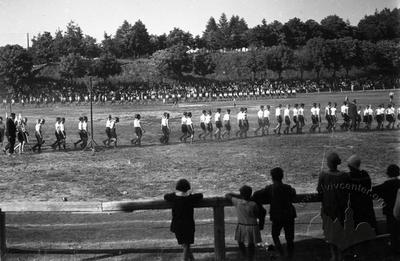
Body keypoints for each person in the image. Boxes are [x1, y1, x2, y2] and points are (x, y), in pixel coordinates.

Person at [252, 167, 297, 258]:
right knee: (290, 238)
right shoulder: (287, 187)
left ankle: (281, 253)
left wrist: (261, 206)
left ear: (272, 177)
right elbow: (293, 193)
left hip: (277, 215)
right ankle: (290, 256)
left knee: (275, 235)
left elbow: (256, 194)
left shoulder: (270, 188)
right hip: (289, 214)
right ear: (282, 176)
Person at [317, 152, 349, 261]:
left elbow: (319, 190)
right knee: (340, 230)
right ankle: (340, 255)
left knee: (329, 231)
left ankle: (333, 255)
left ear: (329, 163)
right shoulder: (345, 175)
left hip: (328, 208)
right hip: (341, 208)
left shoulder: (323, 175)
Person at [164, 179, 203, 261]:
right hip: (188, 225)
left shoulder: (174, 197)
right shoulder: (190, 198)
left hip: (177, 225)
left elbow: (166, 196)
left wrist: (175, 193)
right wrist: (190, 194)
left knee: (185, 245)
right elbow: (200, 195)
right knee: (187, 245)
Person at [226, 185, 262, 261]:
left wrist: (239, 195)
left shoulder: (237, 201)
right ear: (250, 194)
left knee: (240, 242)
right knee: (251, 244)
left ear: (241, 194)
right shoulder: (253, 204)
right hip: (252, 225)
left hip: (242, 225)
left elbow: (227, 195)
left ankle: (245, 256)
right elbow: (257, 215)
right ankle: (250, 258)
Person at [372, 164, 400, 254]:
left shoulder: (386, 185)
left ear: (388, 174)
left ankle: (393, 248)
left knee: (392, 231)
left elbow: (372, 191)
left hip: (389, 211)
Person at [345, 155, 377, 229]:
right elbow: (369, 186)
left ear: (350, 166)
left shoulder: (348, 176)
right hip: (366, 205)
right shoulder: (365, 174)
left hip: (355, 206)